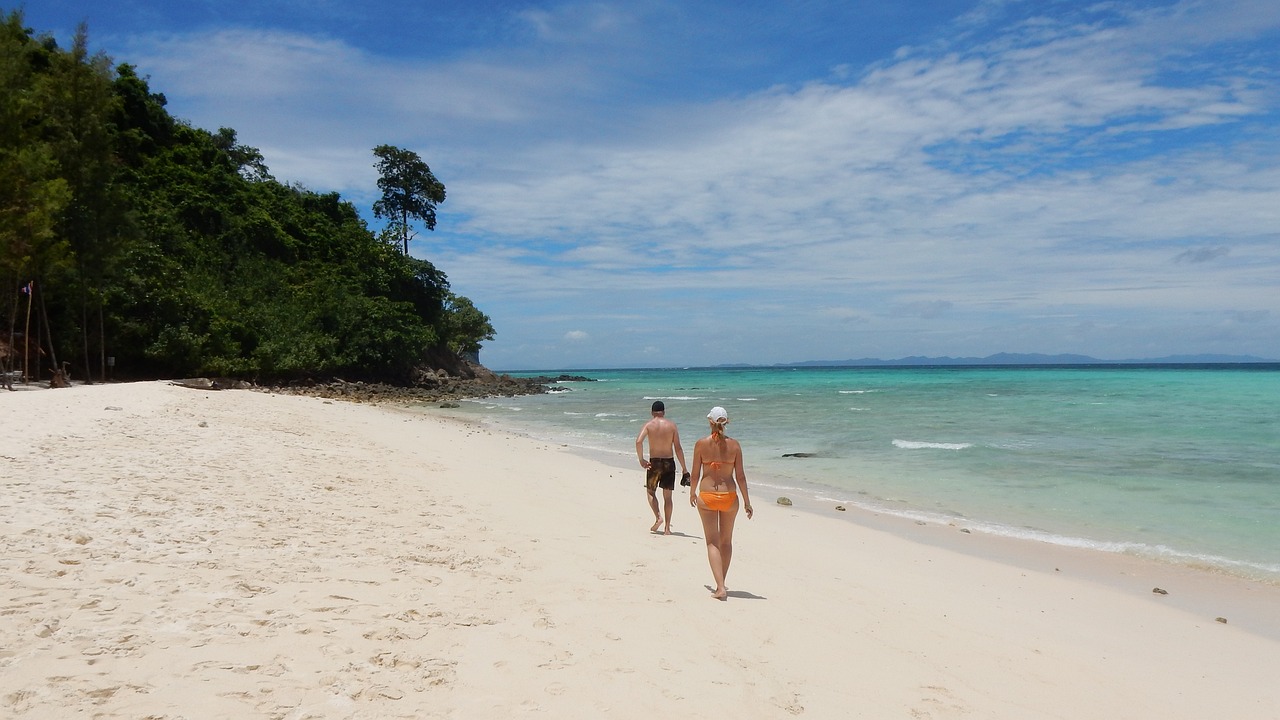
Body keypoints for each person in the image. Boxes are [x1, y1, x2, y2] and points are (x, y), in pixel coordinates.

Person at [688, 406, 752, 600]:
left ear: (710, 421)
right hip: (729, 497)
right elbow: (740, 476)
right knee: (726, 541)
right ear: (726, 422)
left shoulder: (701, 444)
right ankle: (720, 583)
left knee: (712, 542)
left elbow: (695, 474)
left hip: (707, 496)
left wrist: (692, 492)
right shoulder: (735, 446)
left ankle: (720, 586)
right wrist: (747, 502)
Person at [636, 400, 688, 534]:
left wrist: (641, 459)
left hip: (655, 464)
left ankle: (658, 517)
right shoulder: (672, 426)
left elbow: (638, 441)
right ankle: (667, 529)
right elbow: (678, 448)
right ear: (664, 412)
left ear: (652, 412)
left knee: (650, 492)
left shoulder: (648, 425)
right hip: (669, 463)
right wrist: (684, 468)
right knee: (668, 497)